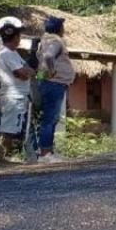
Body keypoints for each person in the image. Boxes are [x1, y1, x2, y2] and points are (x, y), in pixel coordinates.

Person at [0, 17, 34, 158]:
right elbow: (23, 73)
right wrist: (27, 71)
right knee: (9, 130)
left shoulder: (13, 53)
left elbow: (29, 71)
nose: (20, 39)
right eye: (19, 36)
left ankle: (8, 157)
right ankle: (5, 157)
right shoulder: (6, 54)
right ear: (15, 37)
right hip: (13, 96)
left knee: (15, 129)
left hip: (19, 96)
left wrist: (28, 71)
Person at [36, 16, 75, 163]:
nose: (64, 29)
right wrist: (52, 71)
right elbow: (48, 57)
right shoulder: (55, 41)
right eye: (62, 27)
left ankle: (47, 151)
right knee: (50, 118)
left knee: (50, 118)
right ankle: (45, 153)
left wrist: (43, 78)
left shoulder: (44, 41)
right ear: (58, 28)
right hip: (54, 84)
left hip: (49, 83)